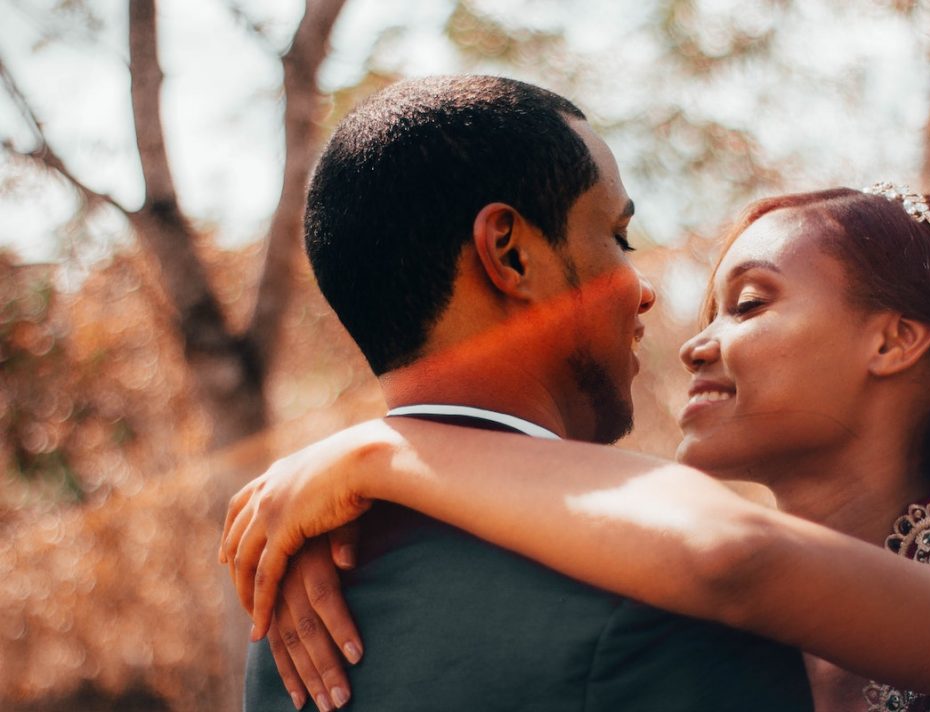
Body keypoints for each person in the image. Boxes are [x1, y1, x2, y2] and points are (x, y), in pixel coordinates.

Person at [222, 184, 930, 711]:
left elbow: (736, 560)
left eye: (749, 304)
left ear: (894, 341)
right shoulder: (654, 587)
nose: (696, 345)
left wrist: (385, 453)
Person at [231, 75, 815, 712]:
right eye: (618, 238)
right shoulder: (672, 581)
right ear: (509, 255)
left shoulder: (289, 616)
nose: (643, 290)